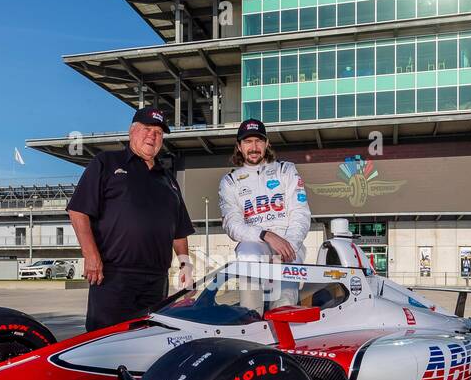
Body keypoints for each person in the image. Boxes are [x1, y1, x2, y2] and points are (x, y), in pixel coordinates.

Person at [67, 106, 195, 331]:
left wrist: (185, 264)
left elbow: (179, 230)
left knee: (147, 344)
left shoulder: (169, 180)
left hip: (156, 280)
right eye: (147, 129)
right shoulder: (106, 163)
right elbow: (78, 210)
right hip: (113, 275)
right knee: (104, 343)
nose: (152, 136)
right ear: (131, 132)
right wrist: (90, 255)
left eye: (158, 132)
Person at [218, 119, 311, 263]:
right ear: (239, 146)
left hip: (288, 241)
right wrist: (265, 234)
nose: (254, 147)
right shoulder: (230, 182)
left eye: (259, 141)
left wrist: (289, 245)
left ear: (267, 143)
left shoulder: (285, 170)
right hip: (254, 241)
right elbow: (233, 225)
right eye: (247, 141)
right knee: (248, 256)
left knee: (285, 280)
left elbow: (300, 213)